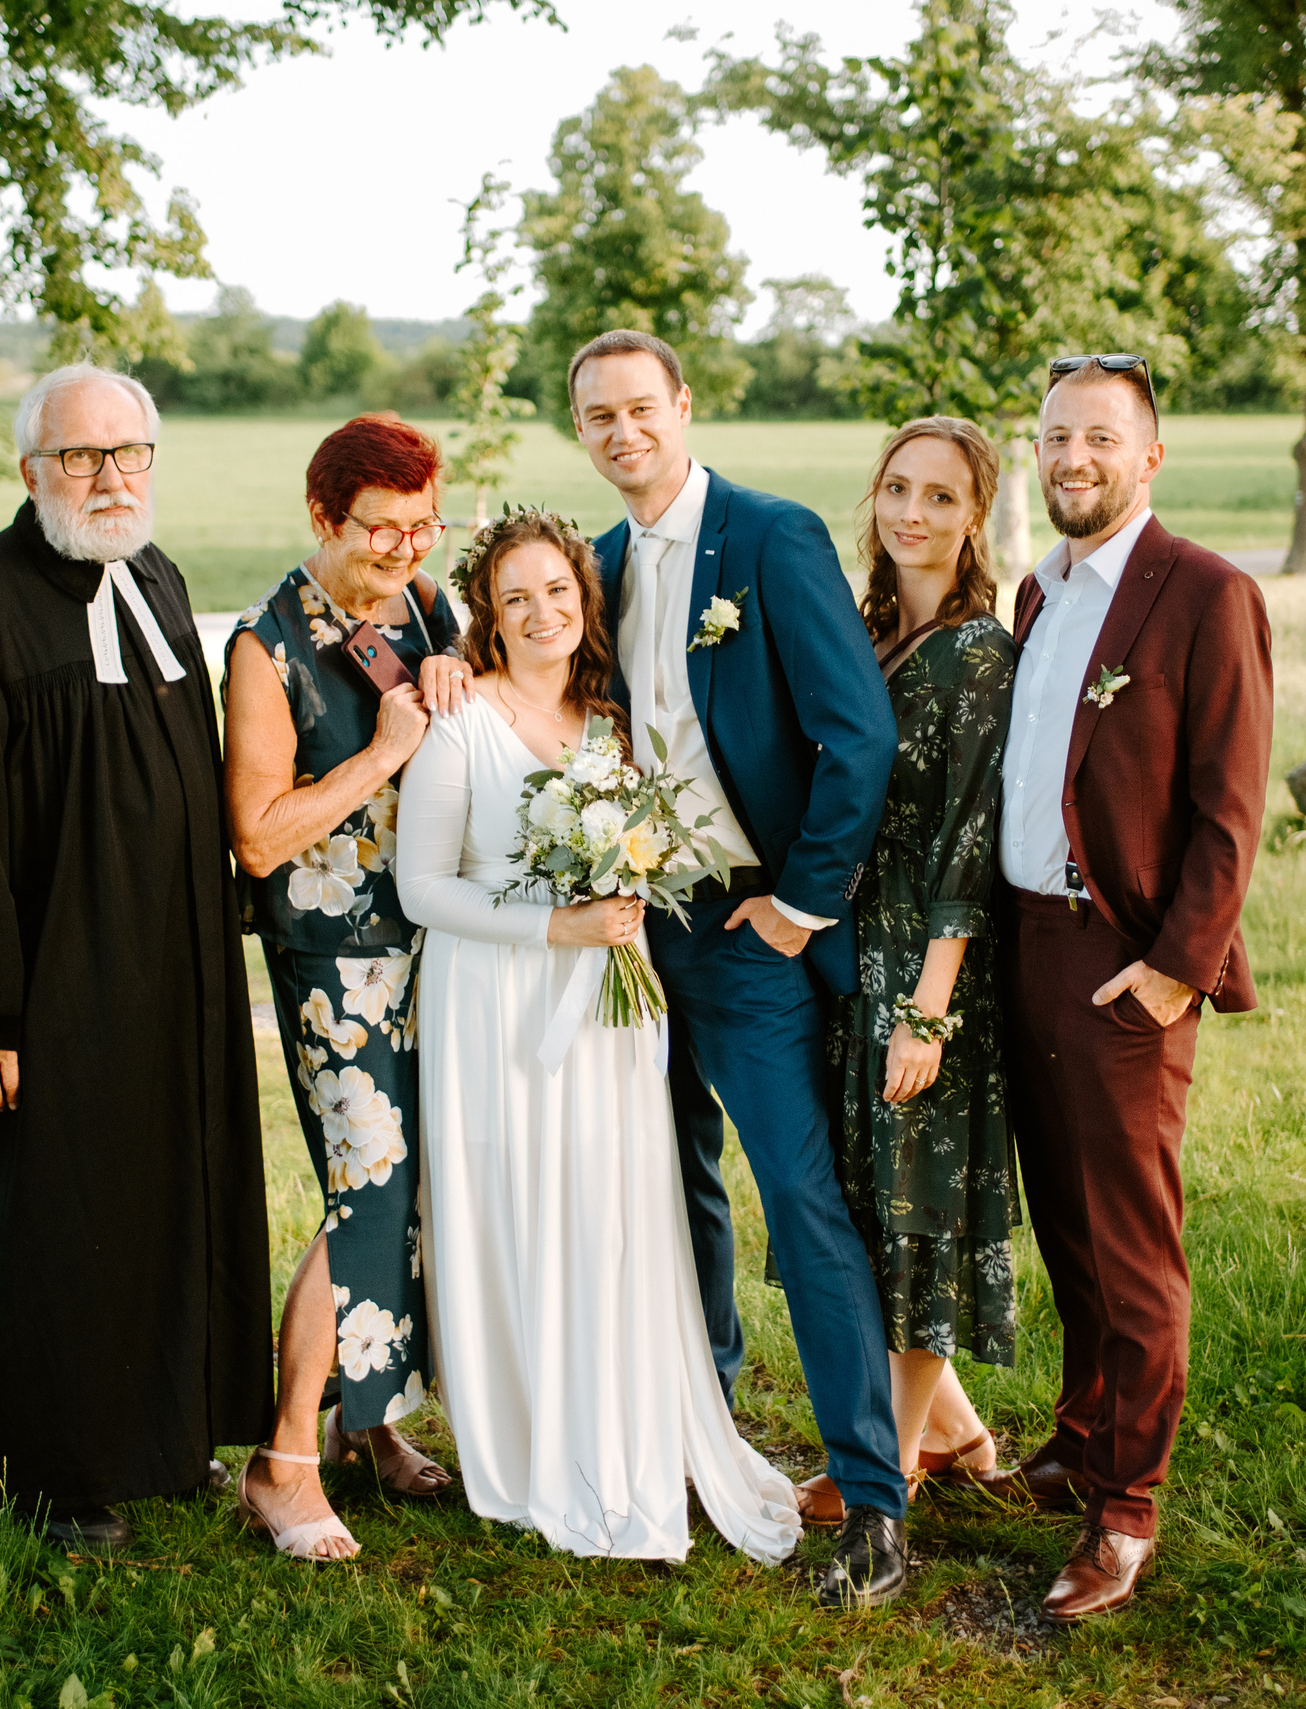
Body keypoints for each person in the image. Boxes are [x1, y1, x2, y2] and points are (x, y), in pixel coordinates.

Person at [0, 364, 271, 1551]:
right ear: (31, 469)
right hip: (43, 982)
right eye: (81, 457)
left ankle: (157, 1430)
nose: (109, 478)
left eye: (128, 453)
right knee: (45, 1218)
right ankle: (40, 1469)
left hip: (167, 970)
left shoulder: (155, 573)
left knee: (159, 1196)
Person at [571, 330, 907, 1608]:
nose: (622, 433)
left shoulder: (768, 537)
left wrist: (801, 903)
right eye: (597, 417)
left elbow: (855, 733)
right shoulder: (598, 565)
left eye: (639, 408)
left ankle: (872, 1497)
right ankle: (698, 1427)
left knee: (801, 1200)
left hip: (749, 931)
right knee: (669, 1188)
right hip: (632, 932)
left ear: (682, 406)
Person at [399, 508, 803, 1566]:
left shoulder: (612, 725)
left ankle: (624, 1415)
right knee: (516, 1203)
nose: (541, 612)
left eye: (557, 591)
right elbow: (421, 888)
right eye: (515, 597)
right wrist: (554, 925)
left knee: (611, 1204)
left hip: (611, 1008)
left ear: (586, 600)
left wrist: (615, 906)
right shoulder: (462, 719)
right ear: (487, 615)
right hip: (496, 1002)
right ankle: (532, 1437)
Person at [980, 355, 1273, 1621]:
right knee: (1064, 1220)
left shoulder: (1205, 594)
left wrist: (1172, 970)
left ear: (1148, 456)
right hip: (1023, 947)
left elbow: (1230, 807)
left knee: (1134, 1244)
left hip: (1123, 964)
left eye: (1099, 437)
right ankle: (1080, 1434)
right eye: (1055, 437)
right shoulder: (1037, 593)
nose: (1073, 458)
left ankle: (1125, 1509)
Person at [222, 415, 473, 1562]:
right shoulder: (263, 645)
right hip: (335, 961)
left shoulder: (422, 604)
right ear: (323, 517)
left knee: (413, 1188)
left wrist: (455, 666)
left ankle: (367, 1425)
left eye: (424, 526)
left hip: (432, 940)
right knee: (365, 1190)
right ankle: (282, 1461)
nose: (405, 548)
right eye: (381, 528)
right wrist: (380, 752)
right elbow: (258, 836)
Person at [790, 418, 1021, 1525]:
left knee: (918, 1211)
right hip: (854, 954)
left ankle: (884, 1465)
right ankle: (960, 1432)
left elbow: (970, 839)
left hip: (930, 967)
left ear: (974, 516)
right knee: (869, 1206)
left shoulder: (980, 656)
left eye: (938, 495)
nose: (911, 513)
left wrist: (927, 1011)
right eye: (895, 488)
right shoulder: (867, 631)